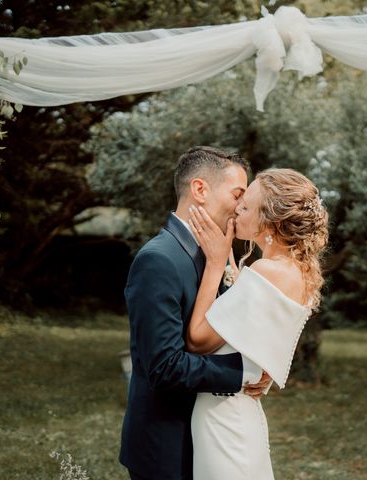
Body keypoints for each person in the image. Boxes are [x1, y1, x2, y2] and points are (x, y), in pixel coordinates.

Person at [119, 146, 272, 480]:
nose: (242, 207)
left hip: (214, 438)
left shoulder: (215, 254)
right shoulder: (158, 260)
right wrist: (243, 374)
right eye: (237, 195)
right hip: (169, 446)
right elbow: (164, 367)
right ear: (200, 190)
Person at [185, 168, 329, 480]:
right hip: (237, 410)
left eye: (247, 206)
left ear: (270, 222)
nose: (237, 209)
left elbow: (197, 341)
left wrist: (214, 263)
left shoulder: (268, 271)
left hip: (225, 417)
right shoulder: (294, 271)